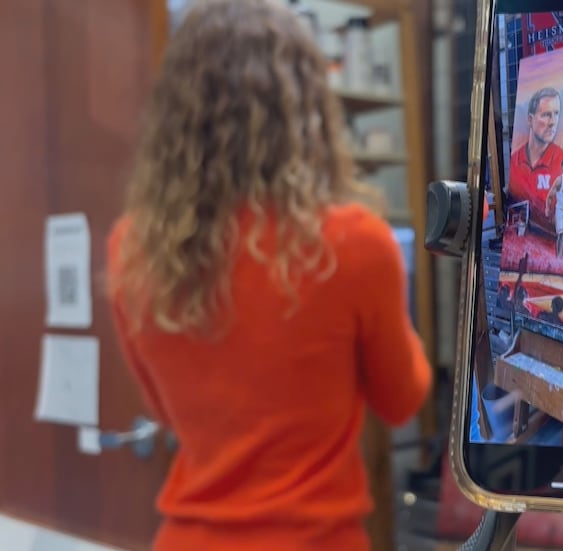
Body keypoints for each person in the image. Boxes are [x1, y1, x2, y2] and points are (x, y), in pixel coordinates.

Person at [105, 2, 432, 550]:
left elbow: (164, 410)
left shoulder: (134, 248)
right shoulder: (354, 242)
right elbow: (404, 399)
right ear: (306, 108)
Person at [510, 88, 563, 227]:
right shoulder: (514, 162)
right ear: (530, 119)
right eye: (546, 115)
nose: (553, 122)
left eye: (556, 114)